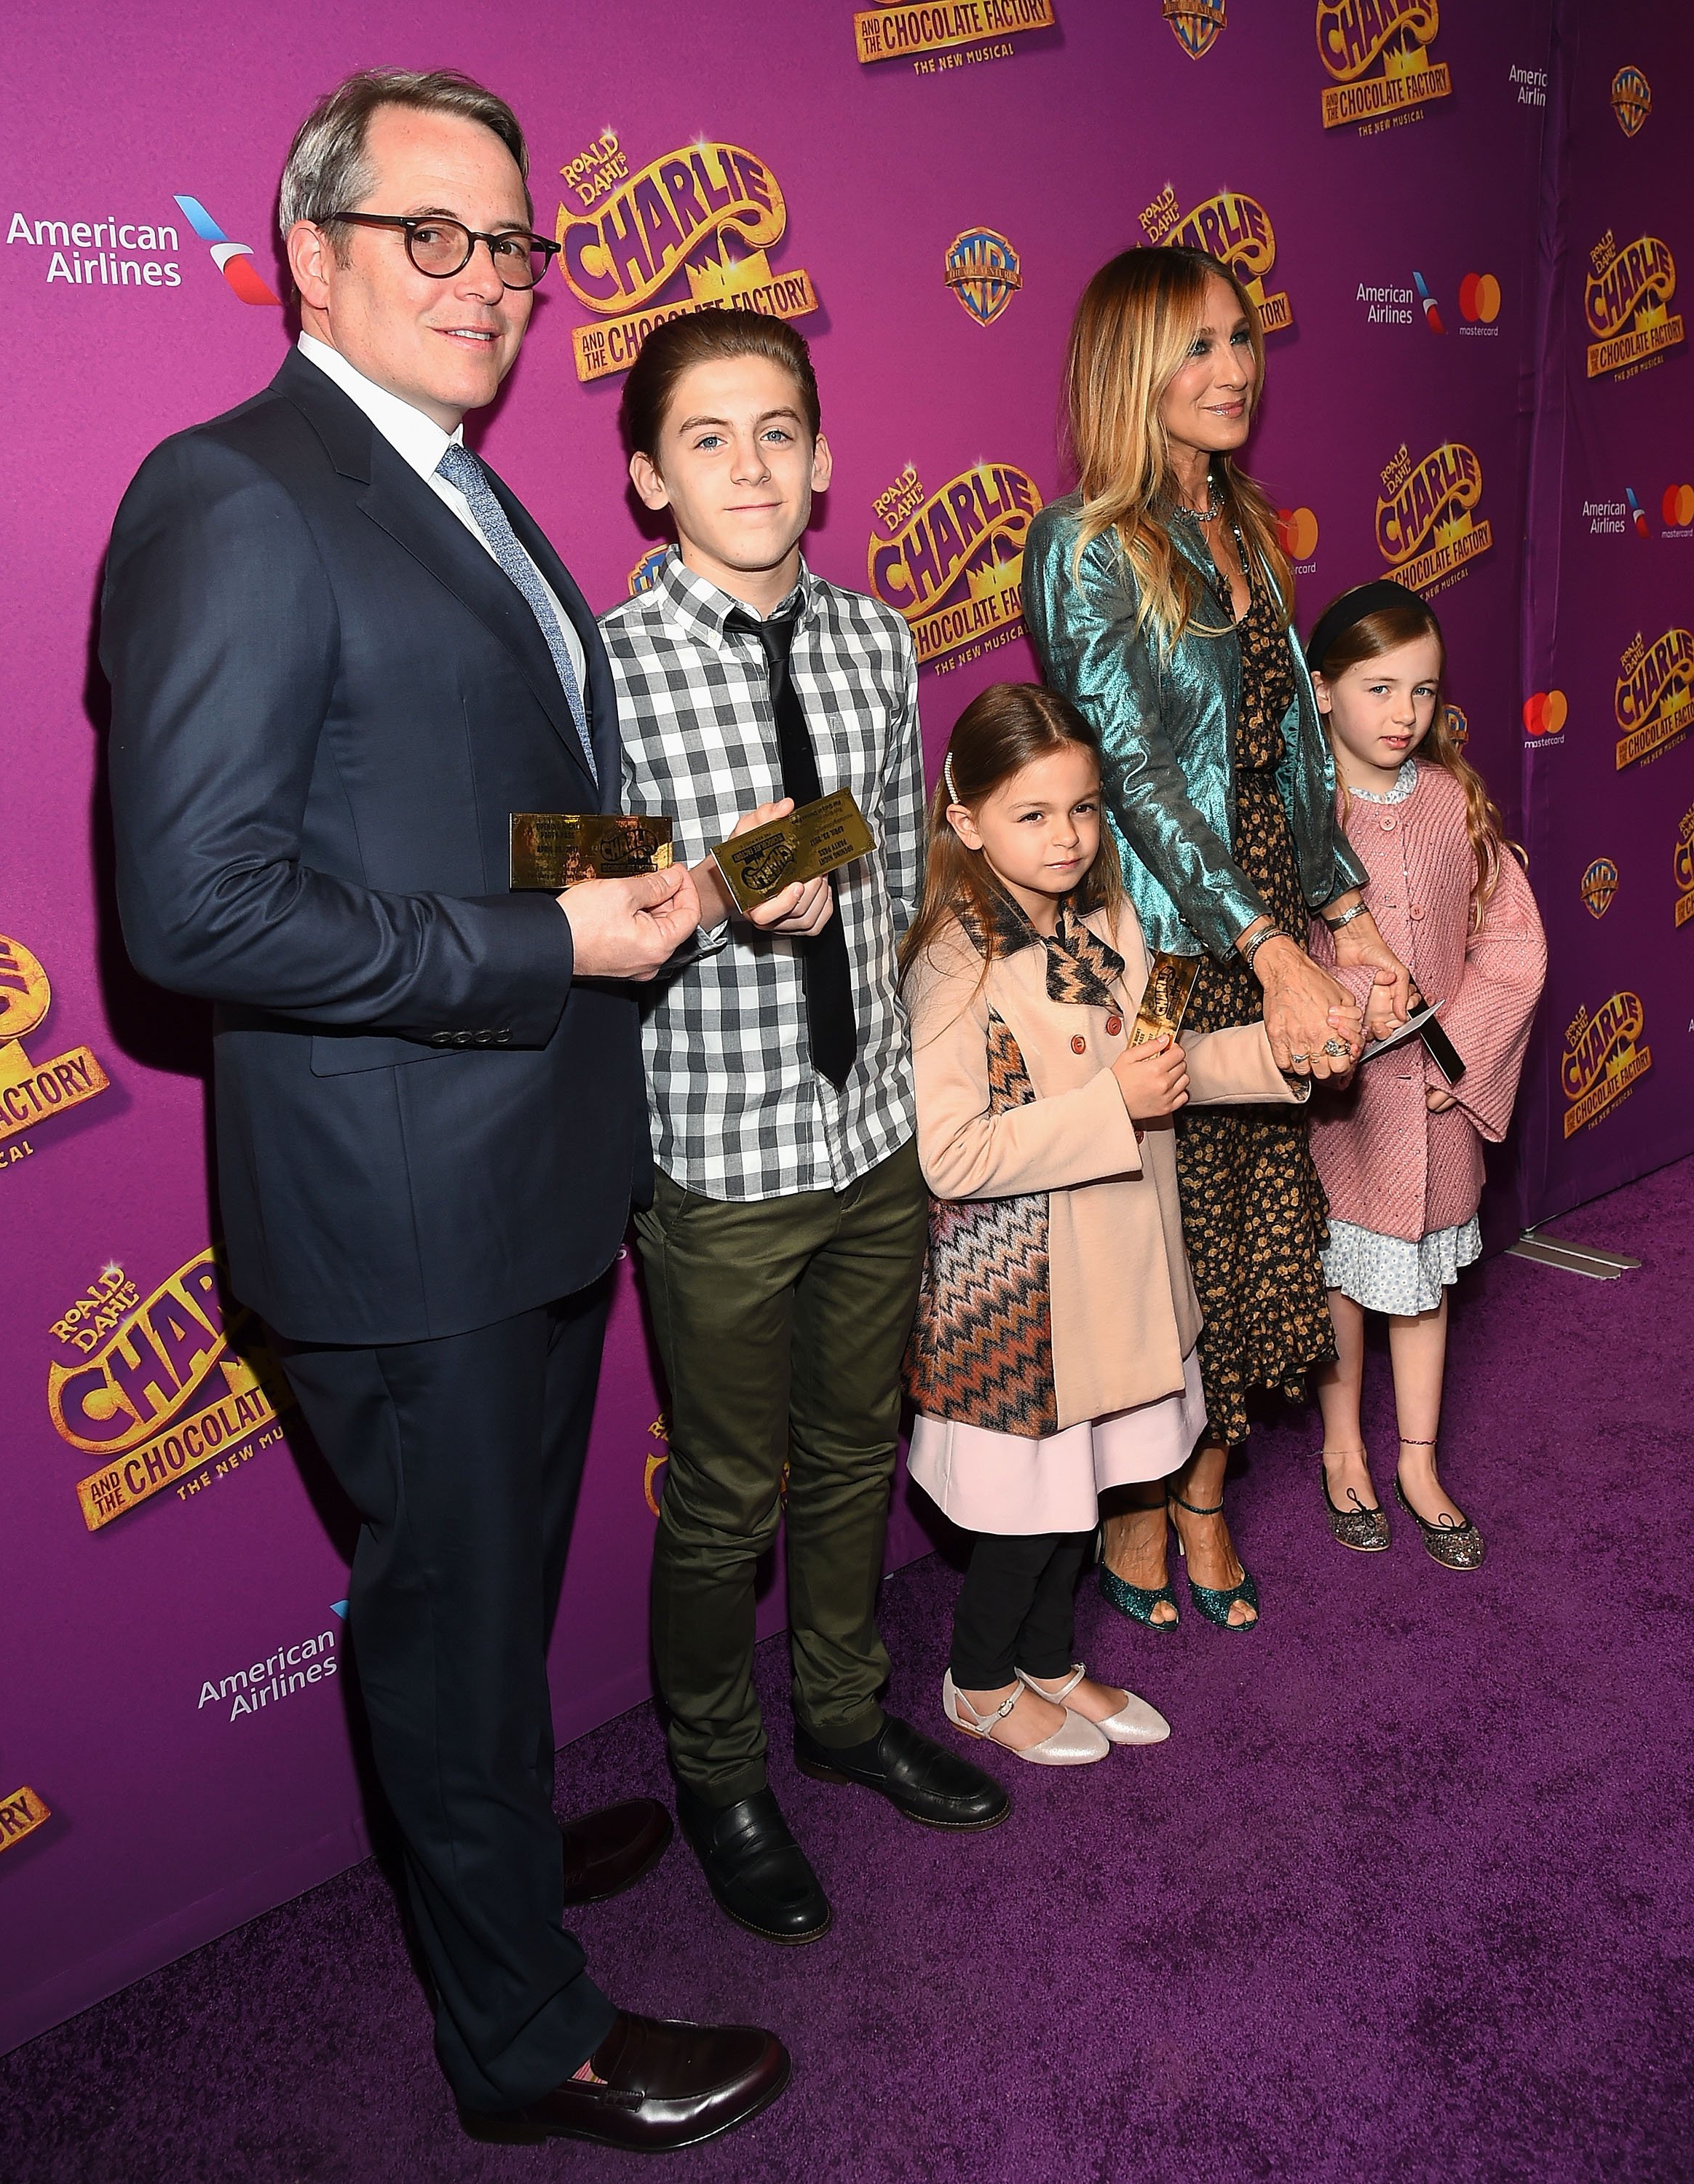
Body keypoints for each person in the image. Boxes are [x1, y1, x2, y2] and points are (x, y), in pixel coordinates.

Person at [100, 68, 788, 2153]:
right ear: (310, 251)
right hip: (402, 1209)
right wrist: (541, 951)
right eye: (435, 237)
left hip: (526, 1170)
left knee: (476, 1595)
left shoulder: (464, 482)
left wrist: (628, 886)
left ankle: (466, 1857)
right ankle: (525, 2041)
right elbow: (195, 901)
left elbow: (452, 801)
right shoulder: (237, 490)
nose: (487, 282)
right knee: (443, 1601)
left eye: (513, 244)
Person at [603, 311, 1007, 1948]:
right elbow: (559, 888)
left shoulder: (877, 640)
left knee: (855, 1450)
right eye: (707, 437)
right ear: (647, 475)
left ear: (827, 459)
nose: (750, 464)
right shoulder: (600, 664)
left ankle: (841, 1717)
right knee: (723, 1495)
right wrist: (721, 890)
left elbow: (898, 872)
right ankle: (719, 1773)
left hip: (872, 1131)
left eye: (780, 430)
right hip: (720, 1159)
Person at [1021, 245, 1411, 1632]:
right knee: (1162, 1252)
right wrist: (1268, 946)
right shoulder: (1086, 541)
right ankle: (1139, 1513)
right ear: (1131, 368)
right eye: (1196, 347)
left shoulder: (1245, 523)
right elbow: (1131, 770)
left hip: (1267, 923)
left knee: (1256, 1240)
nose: (1235, 367)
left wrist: (1348, 912)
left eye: (1242, 339)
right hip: (1162, 944)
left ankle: (1202, 1499)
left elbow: (1291, 748)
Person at [901, 684, 1305, 1756]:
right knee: (1025, 1515)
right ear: (964, 815)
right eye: (1032, 815)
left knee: (1076, 1501)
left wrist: (1280, 1053)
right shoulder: (956, 957)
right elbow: (953, 1154)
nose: (1068, 837)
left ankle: (1045, 1663)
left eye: (1083, 809)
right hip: (1019, 1300)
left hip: (1117, 1270)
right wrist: (1107, 1107)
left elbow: (1159, 1076)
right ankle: (977, 1681)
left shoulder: (1104, 920)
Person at [1305, 582, 1546, 1567]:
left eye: (1422, 691)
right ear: (1322, 692)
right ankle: (1341, 1451)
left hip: (1442, 1103)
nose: (1402, 715)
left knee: (1422, 1290)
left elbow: (1513, 944)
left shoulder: (1453, 803)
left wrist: (1470, 1057)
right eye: (1377, 688)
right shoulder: (1302, 813)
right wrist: (1345, 1020)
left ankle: (1416, 1460)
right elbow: (1275, 955)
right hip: (1339, 1107)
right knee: (1343, 1286)